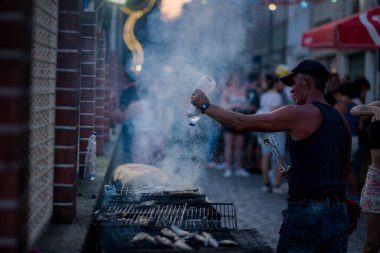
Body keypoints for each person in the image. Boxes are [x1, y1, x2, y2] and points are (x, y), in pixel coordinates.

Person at [191, 59, 351, 252]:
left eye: (293, 84)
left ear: (307, 84)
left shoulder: (299, 113)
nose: (290, 91)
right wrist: (302, 172)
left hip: (308, 212)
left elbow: (241, 123)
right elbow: (342, 171)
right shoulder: (342, 120)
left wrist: (206, 106)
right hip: (338, 213)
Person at [350, 101, 380, 253]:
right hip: (377, 181)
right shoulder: (379, 106)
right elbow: (354, 110)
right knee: (372, 244)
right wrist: (375, 109)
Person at [257, 75, 288, 194]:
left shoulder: (264, 95)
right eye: (281, 83)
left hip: (264, 128)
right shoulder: (276, 96)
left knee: (265, 155)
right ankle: (277, 185)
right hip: (276, 129)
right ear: (276, 83)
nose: (283, 85)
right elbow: (276, 114)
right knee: (279, 157)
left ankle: (266, 183)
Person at [219, 72, 250, 178]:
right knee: (229, 146)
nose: (236, 81)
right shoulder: (227, 91)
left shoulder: (243, 90)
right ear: (231, 80)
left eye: (238, 79)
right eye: (234, 79)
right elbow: (222, 105)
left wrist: (244, 106)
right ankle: (228, 168)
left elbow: (247, 103)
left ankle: (239, 168)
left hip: (241, 119)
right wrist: (232, 106)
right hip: (229, 120)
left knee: (239, 146)